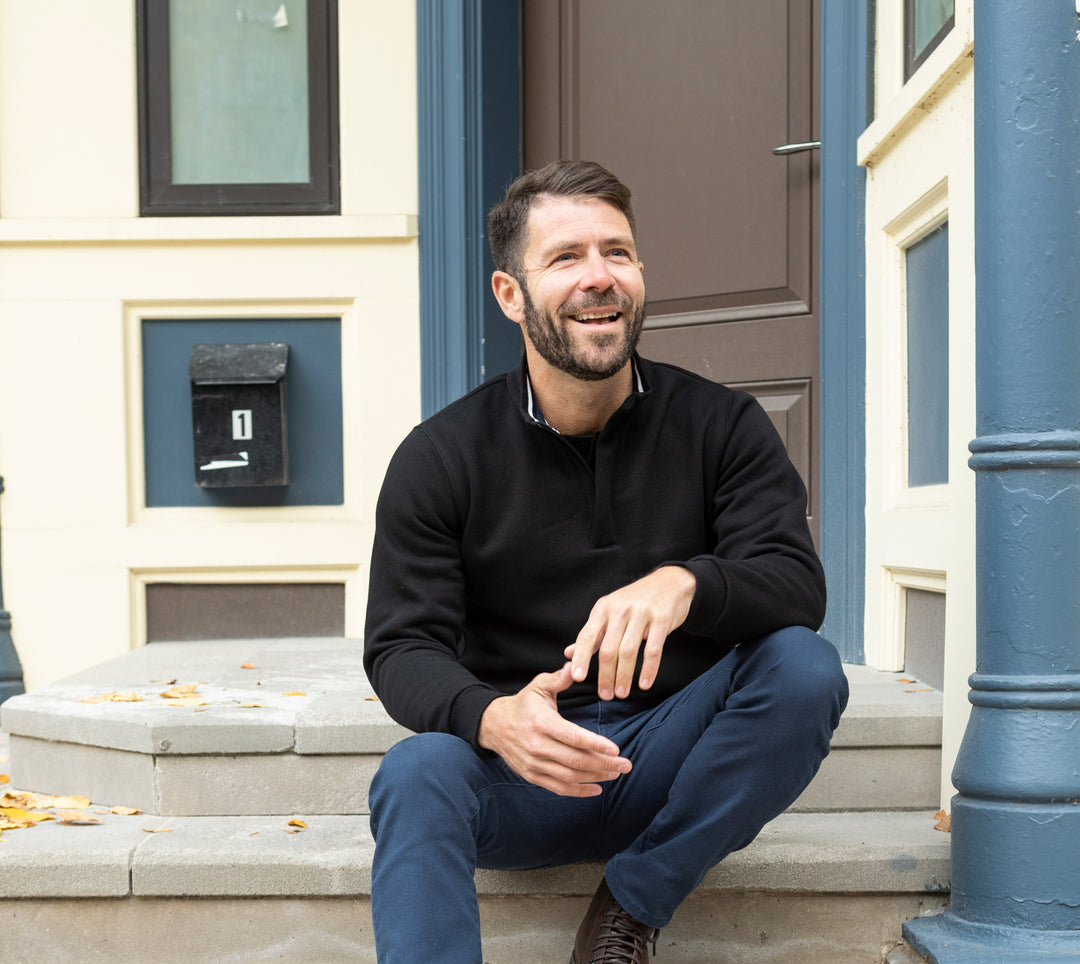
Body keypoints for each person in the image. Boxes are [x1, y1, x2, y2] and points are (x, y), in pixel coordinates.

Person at [364, 159, 849, 963]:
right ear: (509, 294)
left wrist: (688, 582)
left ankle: (630, 906)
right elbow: (400, 648)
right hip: (524, 771)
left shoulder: (720, 424)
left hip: (678, 756)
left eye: (617, 253)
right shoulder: (440, 457)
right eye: (566, 258)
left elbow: (796, 585)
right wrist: (494, 719)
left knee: (802, 666)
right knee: (417, 771)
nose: (600, 277)